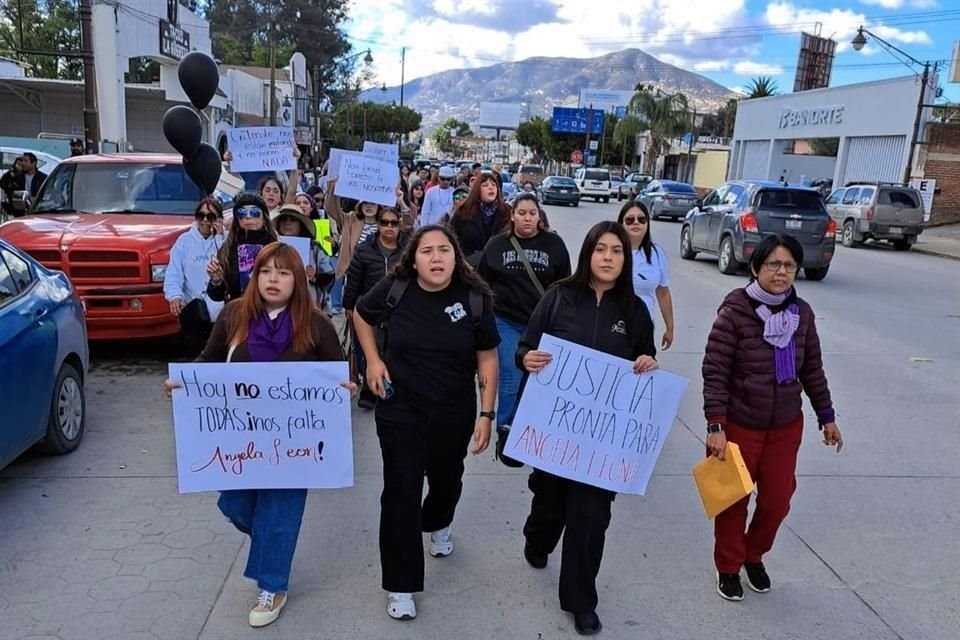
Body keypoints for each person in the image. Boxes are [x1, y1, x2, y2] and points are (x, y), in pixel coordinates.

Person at [163, 243, 355, 628]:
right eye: (266, 271)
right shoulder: (235, 315)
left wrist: (345, 388)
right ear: (255, 276)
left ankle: (272, 585)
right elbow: (209, 360)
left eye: (283, 273)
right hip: (241, 442)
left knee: (281, 511)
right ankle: (273, 543)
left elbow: (338, 374)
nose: (273, 279)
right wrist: (185, 382)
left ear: (297, 281)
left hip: (294, 444)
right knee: (235, 505)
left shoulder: (316, 324)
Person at [352, 225, 500, 621]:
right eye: (427, 251)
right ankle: (401, 584)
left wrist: (486, 413)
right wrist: (373, 360)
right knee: (401, 491)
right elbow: (361, 316)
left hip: (453, 410)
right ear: (413, 259)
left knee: (447, 478)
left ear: (456, 256)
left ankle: (439, 520)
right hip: (401, 409)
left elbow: (487, 356)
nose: (436, 258)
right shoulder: (395, 289)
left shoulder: (475, 298)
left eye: (444, 250)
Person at [516, 221, 657, 636]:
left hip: (603, 444)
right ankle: (537, 538)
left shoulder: (634, 310)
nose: (609, 257)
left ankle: (581, 600)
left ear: (625, 259)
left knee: (591, 515)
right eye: (601, 249)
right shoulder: (559, 298)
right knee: (550, 503)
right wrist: (527, 359)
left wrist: (648, 363)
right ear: (588, 255)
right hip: (555, 437)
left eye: (616, 251)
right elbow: (525, 348)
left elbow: (644, 357)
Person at [702, 233, 842, 602]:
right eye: (773, 265)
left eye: (789, 266)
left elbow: (811, 369)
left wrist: (826, 417)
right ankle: (729, 565)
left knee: (777, 500)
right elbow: (715, 371)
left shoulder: (802, 315)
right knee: (733, 499)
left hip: (784, 426)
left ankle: (754, 555)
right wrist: (715, 425)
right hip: (739, 424)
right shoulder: (734, 312)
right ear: (755, 268)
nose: (781, 272)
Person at [477, 192, 571, 447]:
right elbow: (481, 282)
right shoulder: (497, 245)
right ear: (513, 216)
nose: (527, 218)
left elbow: (565, 284)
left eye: (532, 213)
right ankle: (508, 431)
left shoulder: (554, 245)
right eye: (522, 213)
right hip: (506, 320)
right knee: (511, 373)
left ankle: (535, 427)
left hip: (543, 325)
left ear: (539, 217)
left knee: (540, 376)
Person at [343, 207, 408, 410]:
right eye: (385, 222)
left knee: (395, 350)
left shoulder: (409, 249)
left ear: (399, 225)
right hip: (370, 308)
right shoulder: (365, 249)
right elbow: (353, 279)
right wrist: (349, 305)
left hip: (401, 309)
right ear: (379, 225)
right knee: (369, 350)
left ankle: (392, 385)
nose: (389, 227)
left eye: (393, 223)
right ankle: (370, 390)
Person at [164, 197, 226, 354]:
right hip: (193, 308)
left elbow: (225, 264)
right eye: (201, 216)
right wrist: (174, 296)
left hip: (219, 312)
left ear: (218, 219)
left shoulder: (226, 239)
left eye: (210, 216)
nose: (205, 220)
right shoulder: (184, 241)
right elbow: (173, 271)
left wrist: (219, 237)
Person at [617, 202, 675, 351]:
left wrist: (670, 327)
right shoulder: (612, 252)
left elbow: (663, 293)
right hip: (613, 324)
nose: (636, 223)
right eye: (630, 220)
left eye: (641, 219)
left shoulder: (657, 254)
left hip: (644, 324)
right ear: (621, 224)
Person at [324, 178, 382, 316]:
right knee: (355, 315)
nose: (369, 206)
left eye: (373, 203)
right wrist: (333, 187)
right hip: (355, 276)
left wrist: (401, 201)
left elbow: (407, 224)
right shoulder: (350, 219)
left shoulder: (386, 222)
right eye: (365, 203)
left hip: (378, 275)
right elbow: (331, 209)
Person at [207, 192, 278, 303]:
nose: (248, 216)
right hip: (237, 315)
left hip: (270, 314)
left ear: (264, 218)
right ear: (237, 220)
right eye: (242, 213)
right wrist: (216, 280)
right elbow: (217, 296)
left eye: (255, 212)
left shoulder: (276, 247)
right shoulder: (227, 248)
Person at [272, 204, 335, 307]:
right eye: (284, 219)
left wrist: (315, 277)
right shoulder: (270, 247)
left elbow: (330, 275)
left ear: (301, 224)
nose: (287, 223)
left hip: (308, 304)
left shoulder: (314, 248)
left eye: (292, 220)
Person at [449, 172, 511, 261]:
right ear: (477, 190)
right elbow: (452, 239)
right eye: (485, 185)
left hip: (499, 265)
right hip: (470, 264)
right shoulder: (463, 211)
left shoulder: (507, 211)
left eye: (494, 185)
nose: (491, 187)